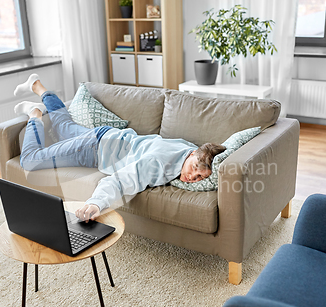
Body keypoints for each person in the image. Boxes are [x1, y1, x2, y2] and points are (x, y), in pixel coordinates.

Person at [13, 74, 226, 221]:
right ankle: (35, 114)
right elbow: (120, 180)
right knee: (30, 160)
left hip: (105, 137)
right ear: (191, 155)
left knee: (63, 127)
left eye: (199, 178)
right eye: (193, 170)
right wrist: (96, 203)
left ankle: (37, 86)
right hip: (93, 149)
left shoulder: (188, 148)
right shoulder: (159, 162)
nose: (192, 178)